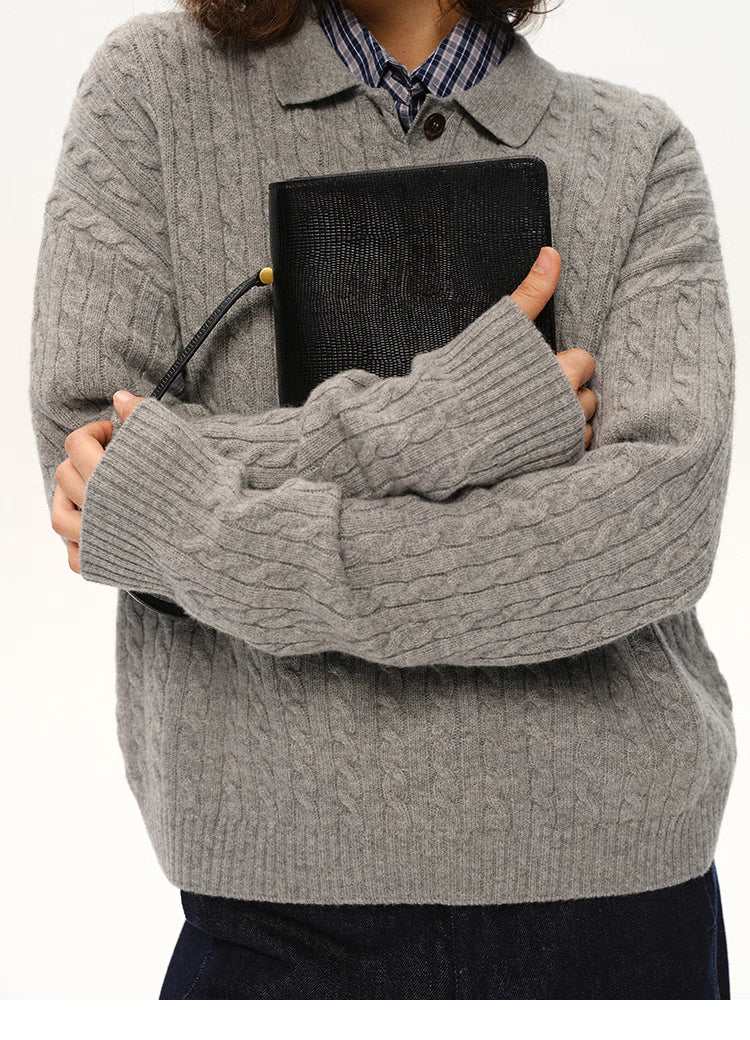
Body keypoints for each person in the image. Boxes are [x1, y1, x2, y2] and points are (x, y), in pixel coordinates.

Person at [29, 0, 735, 999]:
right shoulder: (153, 91)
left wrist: (203, 520)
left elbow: (654, 535)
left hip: (621, 897)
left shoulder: (635, 148)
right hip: (273, 903)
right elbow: (89, 455)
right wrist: (447, 417)